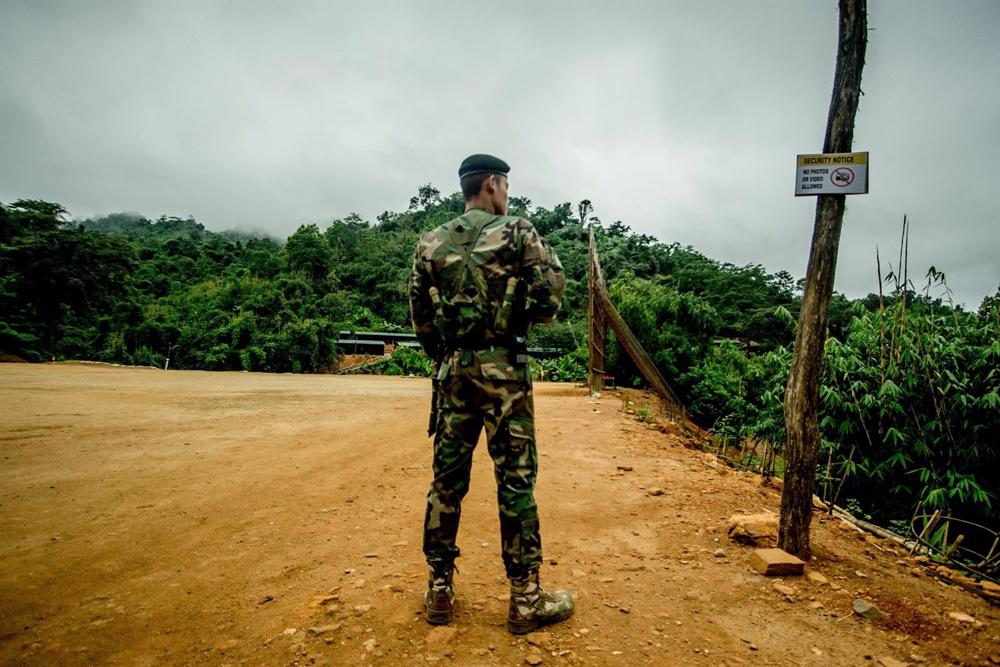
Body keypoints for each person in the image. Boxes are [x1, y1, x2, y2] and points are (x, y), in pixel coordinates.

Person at [408, 154, 574, 634]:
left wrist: (449, 353)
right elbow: (549, 304)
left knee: (447, 482)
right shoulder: (519, 232)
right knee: (516, 482)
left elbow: (420, 317)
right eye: (505, 187)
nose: (507, 195)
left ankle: (439, 590)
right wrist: (514, 317)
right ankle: (525, 599)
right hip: (506, 374)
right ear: (494, 185)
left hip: (453, 371)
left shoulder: (430, 241)